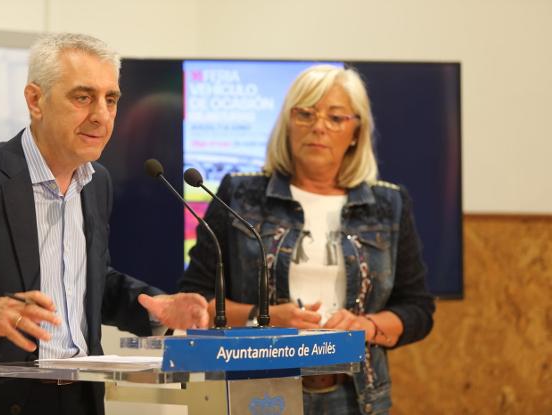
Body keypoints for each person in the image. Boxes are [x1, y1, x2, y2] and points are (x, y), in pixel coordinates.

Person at [0, 33, 208, 415]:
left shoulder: (97, 183)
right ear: (35, 100)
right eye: (83, 97)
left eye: (111, 99)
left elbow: (85, 283)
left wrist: (153, 307)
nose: (101, 115)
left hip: (79, 398)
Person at [180, 64, 435, 414]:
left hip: (357, 398)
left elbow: (418, 309)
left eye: (335, 118)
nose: (318, 127)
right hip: (258, 393)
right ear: (288, 122)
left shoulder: (388, 205)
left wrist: (366, 326)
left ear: (356, 131)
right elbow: (197, 300)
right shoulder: (240, 195)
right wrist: (264, 318)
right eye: (306, 114)